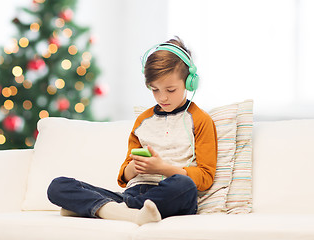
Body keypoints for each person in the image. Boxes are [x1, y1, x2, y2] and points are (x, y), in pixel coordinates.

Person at [47, 36, 218, 225]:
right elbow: (123, 177)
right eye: (155, 90)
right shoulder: (143, 120)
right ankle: (130, 212)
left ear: (189, 83)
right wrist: (134, 168)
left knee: (184, 186)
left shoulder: (201, 120)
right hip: (132, 194)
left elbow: (205, 177)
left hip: (169, 194)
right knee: (58, 186)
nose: (162, 97)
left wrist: (161, 168)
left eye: (170, 90)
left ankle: (102, 209)